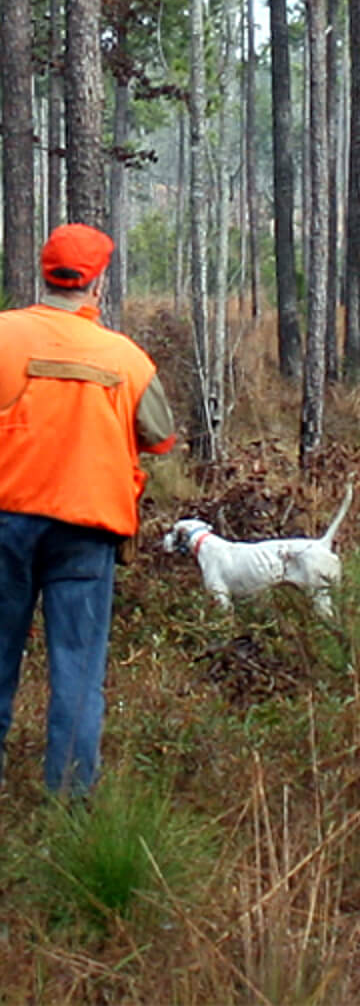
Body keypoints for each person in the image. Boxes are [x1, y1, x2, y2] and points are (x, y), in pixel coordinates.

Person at [0, 223, 175, 794]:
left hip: (7, 520)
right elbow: (160, 435)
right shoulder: (125, 358)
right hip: (87, 529)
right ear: (96, 284)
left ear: (43, 275)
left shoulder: (4, 335)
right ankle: (70, 805)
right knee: (77, 670)